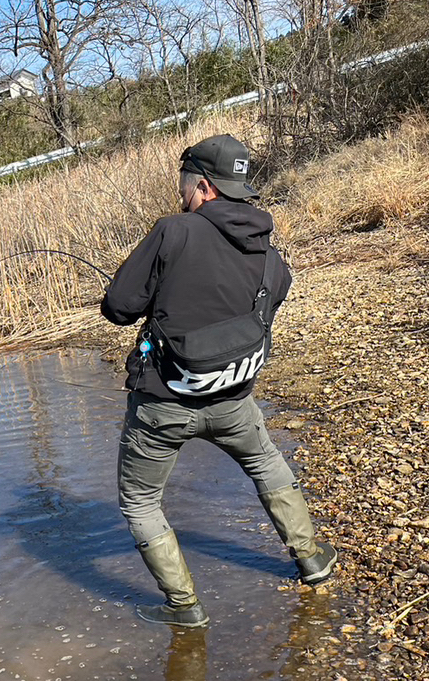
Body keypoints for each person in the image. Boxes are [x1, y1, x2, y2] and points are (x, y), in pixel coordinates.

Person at [101, 134, 337, 627]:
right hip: (234, 398)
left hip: (163, 405)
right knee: (266, 462)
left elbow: (119, 308)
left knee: (141, 501)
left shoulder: (173, 232)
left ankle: (183, 606)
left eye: (184, 185)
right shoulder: (269, 253)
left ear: (204, 186)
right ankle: (311, 559)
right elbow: (273, 297)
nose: (181, 194)